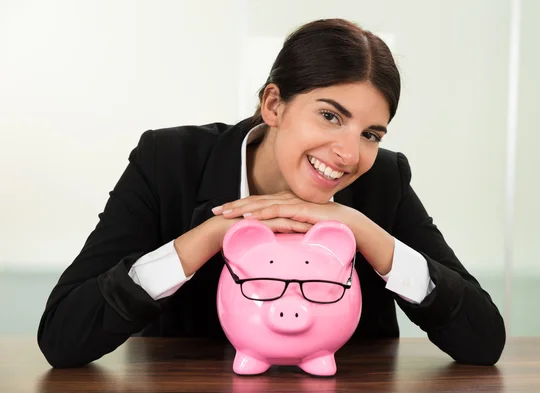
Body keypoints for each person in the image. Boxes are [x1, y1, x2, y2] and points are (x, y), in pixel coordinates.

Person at [37, 18, 505, 369]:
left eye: (371, 134)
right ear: (274, 104)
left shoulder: (383, 179)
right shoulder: (167, 161)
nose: (348, 153)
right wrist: (209, 235)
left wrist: (361, 229)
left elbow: (483, 341)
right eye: (330, 116)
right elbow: (62, 338)